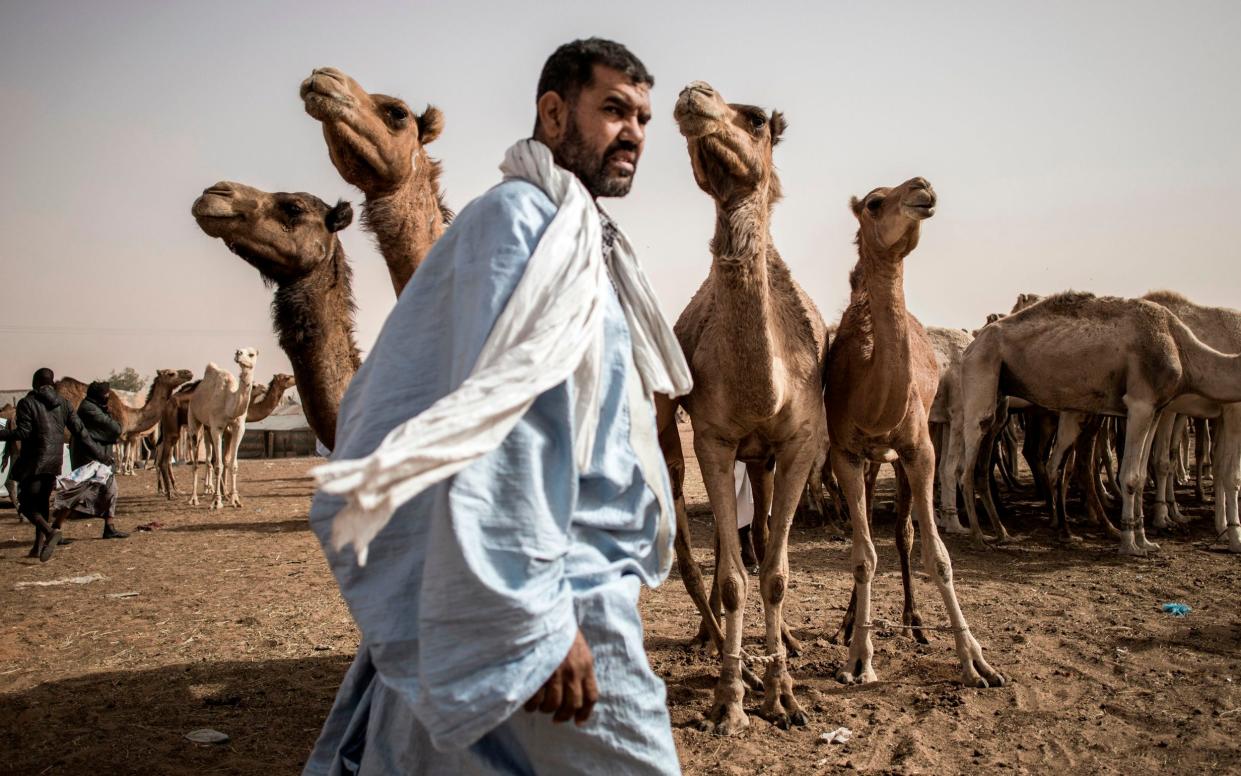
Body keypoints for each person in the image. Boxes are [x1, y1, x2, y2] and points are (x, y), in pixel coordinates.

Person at [303, 38, 691, 775]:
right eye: (613, 109)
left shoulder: (578, 234)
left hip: (561, 580)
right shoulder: (518, 223)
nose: (635, 132)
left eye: (641, 117)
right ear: (553, 113)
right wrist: (535, 622)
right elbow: (500, 434)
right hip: (553, 592)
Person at [0, 368, 106, 561]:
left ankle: (50, 533)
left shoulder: (27, 403)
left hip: (33, 462)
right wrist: (99, 454)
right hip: (55, 461)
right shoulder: (64, 404)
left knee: (25, 506)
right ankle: (37, 548)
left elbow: (23, 432)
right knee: (41, 504)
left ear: (35, 383)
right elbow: (80, 432)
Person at [55, 380, 128, 539]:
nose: (108, 397)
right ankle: (55, 528)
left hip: (101, 459)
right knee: (77, 494)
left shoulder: (96, 407)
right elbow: (115, 428)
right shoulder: (89, 409)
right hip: (89, 459)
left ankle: (109, 527)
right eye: (106, 395)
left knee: (111, 490)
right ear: (99, 396)